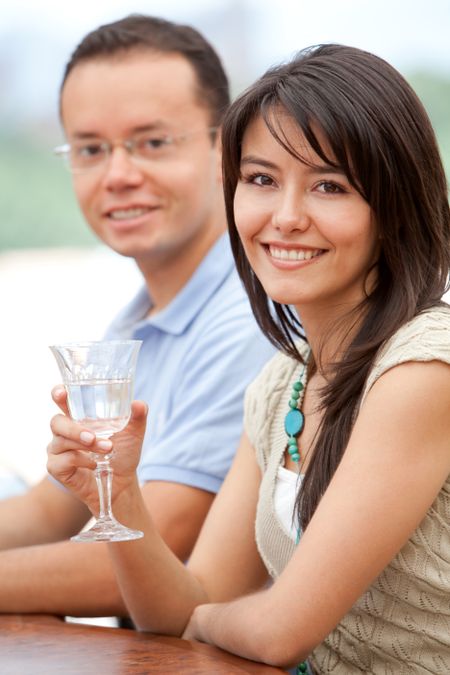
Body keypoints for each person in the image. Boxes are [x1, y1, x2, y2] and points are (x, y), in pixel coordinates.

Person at [47, 43, 450, 673]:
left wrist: (205, 623)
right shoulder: (281, 385)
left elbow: (276, 633)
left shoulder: (425, 370)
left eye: (329, 186)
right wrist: (118, 494)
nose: (285, 218)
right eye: (260, 180)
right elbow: (188, 600)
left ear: (394, 205)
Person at [0, 15, 274, 619]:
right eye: (92, 149)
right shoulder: (136, 323)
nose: (119, 174)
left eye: (152, 142)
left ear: (223, 147)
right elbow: (54, 510)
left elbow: (150, 559)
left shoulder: (253, 312)